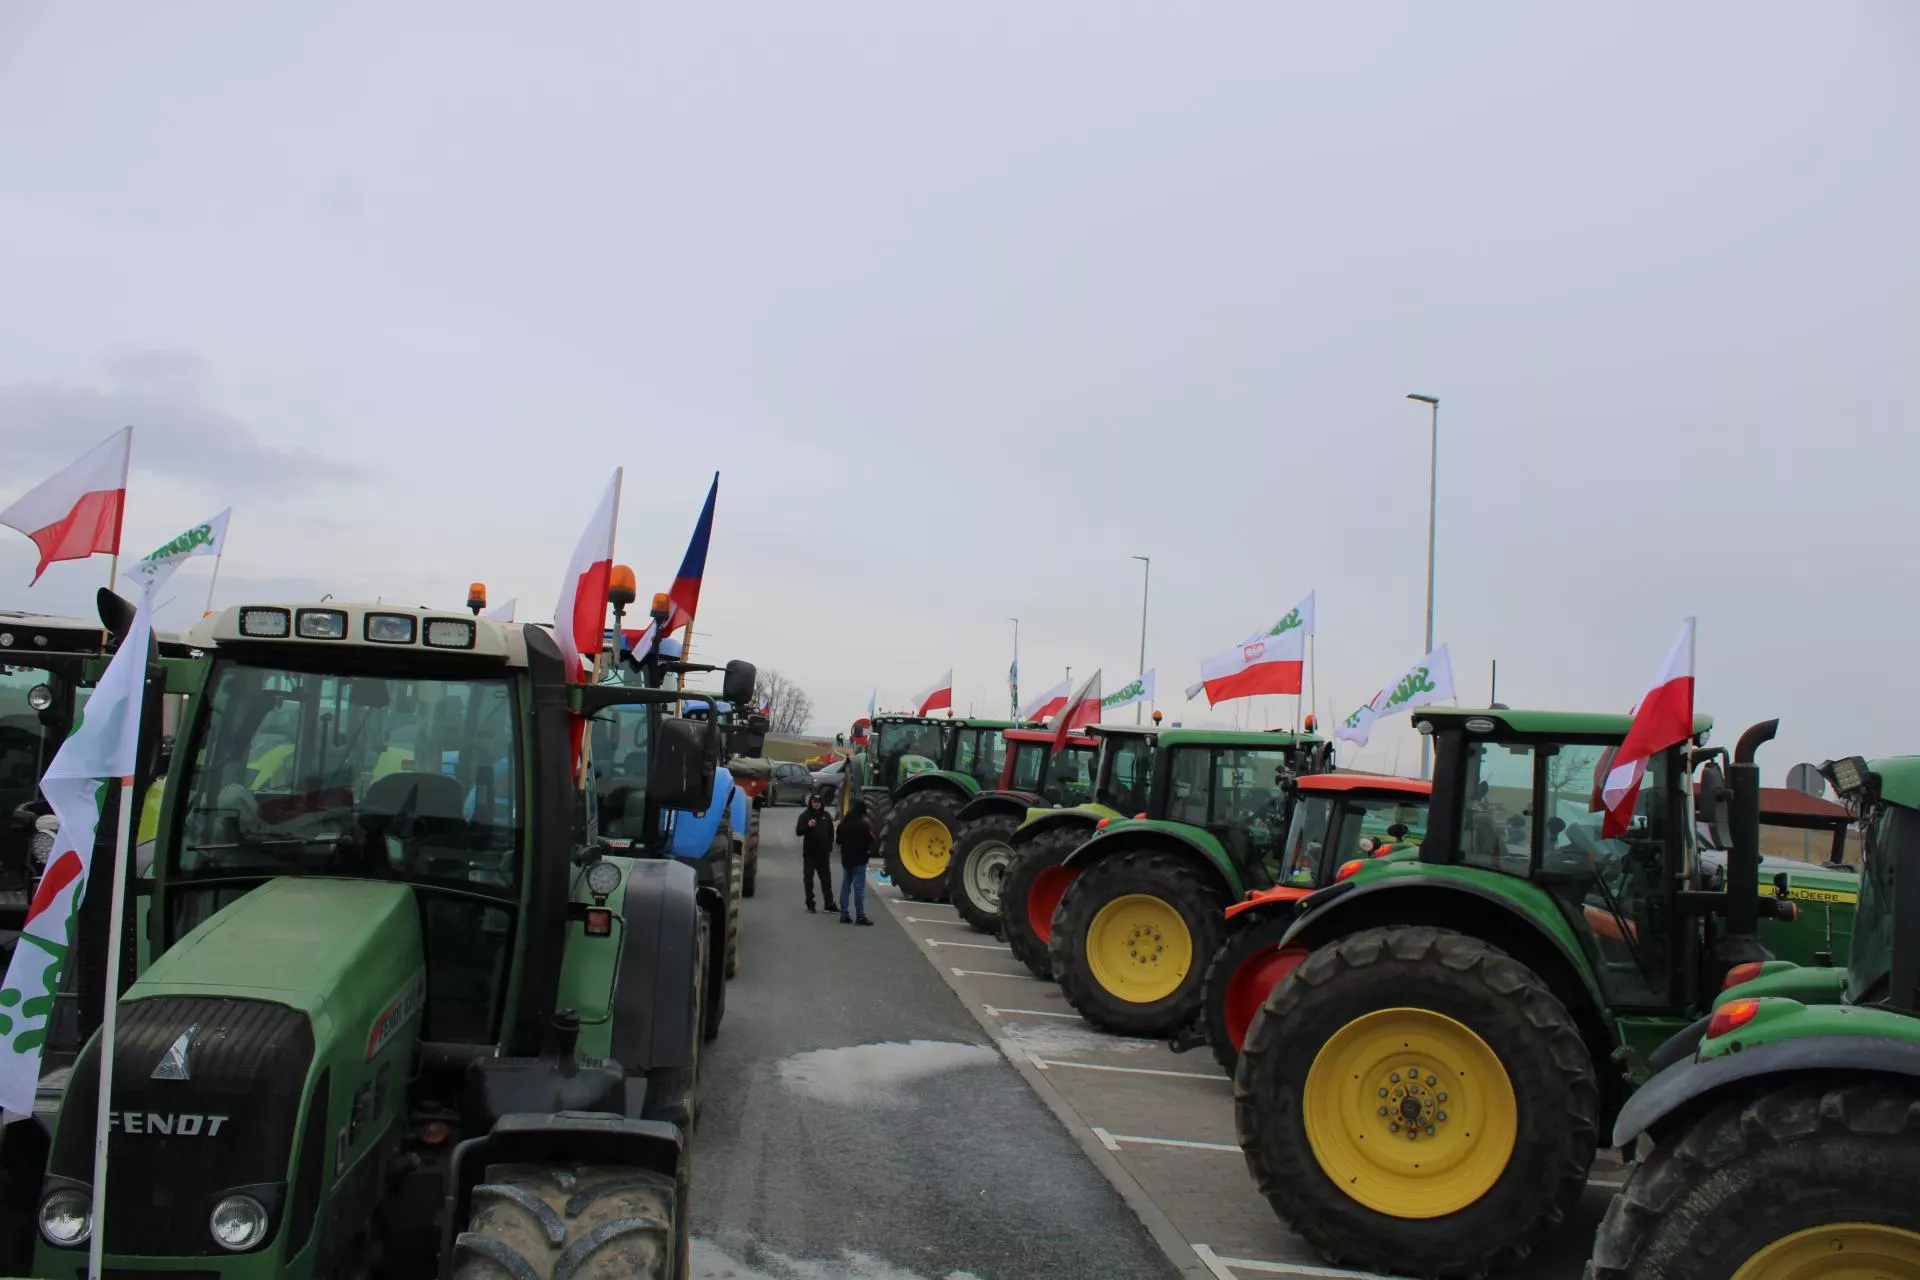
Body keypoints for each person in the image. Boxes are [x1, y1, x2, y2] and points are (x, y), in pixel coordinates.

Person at [836, 796, 875, 925]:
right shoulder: (863, 825)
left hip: (846, 858)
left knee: (845, 885)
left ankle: (844, 913)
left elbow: (838, 841)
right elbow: (871, 840)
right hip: (860, 859)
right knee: (859, 888)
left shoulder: (843, 824)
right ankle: (860, 915)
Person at [796, 791, 835, 913]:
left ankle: (829, 904)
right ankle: (810, 904)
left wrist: (829, 847)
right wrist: (807, 826)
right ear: (811, 803)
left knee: (826, 880)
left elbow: (831, 833)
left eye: (819, 802)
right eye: (814, 802)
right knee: (809, 880)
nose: (817, 804)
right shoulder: (805, 816)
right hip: (810, 854)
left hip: (823, 854)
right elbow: (798, 832)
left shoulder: (826, 816)